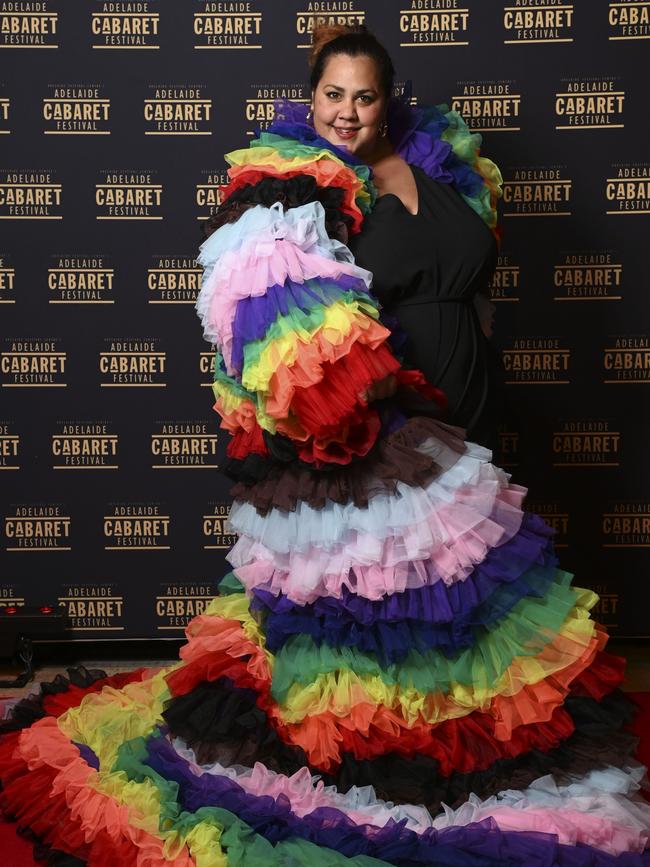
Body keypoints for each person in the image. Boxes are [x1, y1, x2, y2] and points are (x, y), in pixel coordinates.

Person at [1, 23, 649, 867]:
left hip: (473, 408)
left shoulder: (444, 164)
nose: (347, 112)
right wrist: (366, 408)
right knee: (384, 618)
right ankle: (394, 767)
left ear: (390, 99)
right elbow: (274, 323)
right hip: (389, 431)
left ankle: (461, 742)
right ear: (311, 98)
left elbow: (469, 276)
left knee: (462, 609)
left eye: (364, 95)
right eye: (332, 94)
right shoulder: (292, 186)